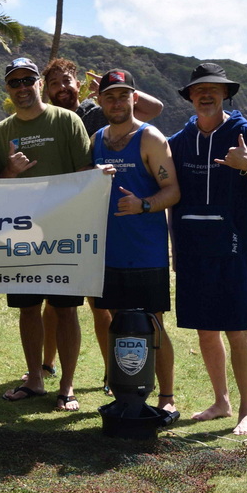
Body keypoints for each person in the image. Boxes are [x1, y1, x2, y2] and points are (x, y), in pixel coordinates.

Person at [168, 63, 247, 437]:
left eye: (214, 90)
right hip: (193, 248)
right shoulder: (179, 141)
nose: (206, 95)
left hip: (236, 248)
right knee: (206, 331)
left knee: (237, 331)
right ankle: (221, 401)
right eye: (199, 89)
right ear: (189, 96)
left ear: (224, 95)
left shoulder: (244, 133)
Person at [41, 57, 164, 390]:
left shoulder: (96, 113)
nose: (62, 88)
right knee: (54, 302)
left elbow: (154, 109)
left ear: (77, 83)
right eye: (54, 84)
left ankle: (112, 372)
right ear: (47, 90)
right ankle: (46, 364)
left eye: (67, 81)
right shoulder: (47, 120)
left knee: (100, 305)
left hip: (98, 224)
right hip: (61, 220)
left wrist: (107, 91)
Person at [0, 57, 93, 412]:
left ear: (39, 83)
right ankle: (34, 379)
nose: (21, 87)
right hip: (21, 234)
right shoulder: (0, 131)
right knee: (28, 308)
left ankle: (67, 386)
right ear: (8, 89)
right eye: (14, 82)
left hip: (65, 232)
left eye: (27, 80)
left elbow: (85, 176)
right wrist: (9, 171)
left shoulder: (67, 121)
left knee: (65, 310)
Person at [90, 69, 180, 414]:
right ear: (100, 101)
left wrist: (143, 204)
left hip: (146, 252)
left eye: (123, 95)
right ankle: (125, 392)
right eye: (110, 96)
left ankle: (166, 398)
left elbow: (172, 190)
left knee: (152, 323)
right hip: (109, 252)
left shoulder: (150, 138)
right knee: (118, 323)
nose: (116, 102)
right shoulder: (97, 139)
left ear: (134, 99)